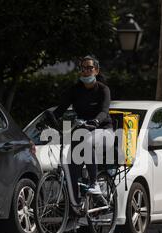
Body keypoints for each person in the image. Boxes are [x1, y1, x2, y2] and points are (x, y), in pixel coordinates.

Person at [49, 55, 114, 200]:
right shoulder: (75, 90)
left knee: (86, 140)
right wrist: (49, 119)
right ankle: (74, 210)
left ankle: (94, 182)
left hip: (104, 131)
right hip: (83, 132)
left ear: (96, 71)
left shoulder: (103, 89)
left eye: (89, 68)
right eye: (83, 68)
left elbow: (104, 111)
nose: (86, 71)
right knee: (71, 167)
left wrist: (96, 121)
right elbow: (60, 110)